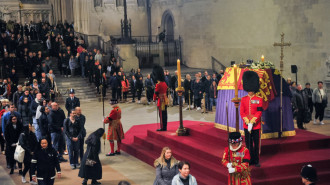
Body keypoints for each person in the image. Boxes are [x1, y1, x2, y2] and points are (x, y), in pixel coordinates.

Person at [240, 71, 263, 167]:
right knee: (248, 144)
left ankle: (256, 160)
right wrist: (246, 121)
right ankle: (249, 160)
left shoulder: (259, 99)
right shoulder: (243, 99)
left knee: (256, 144)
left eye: (251, 89)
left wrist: (253, 121)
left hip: (256, 126)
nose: (250, 91)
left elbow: (259, 111)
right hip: (246, 125)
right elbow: (242, 112)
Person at [153, 65, 169, 131]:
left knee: (161, 115)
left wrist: (154, 99)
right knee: (164, 114)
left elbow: (156, 92)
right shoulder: (164, 83)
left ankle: (162, 127)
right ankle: (165, 127)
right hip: (165, 100)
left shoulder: (158, 84)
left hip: (161, 101)